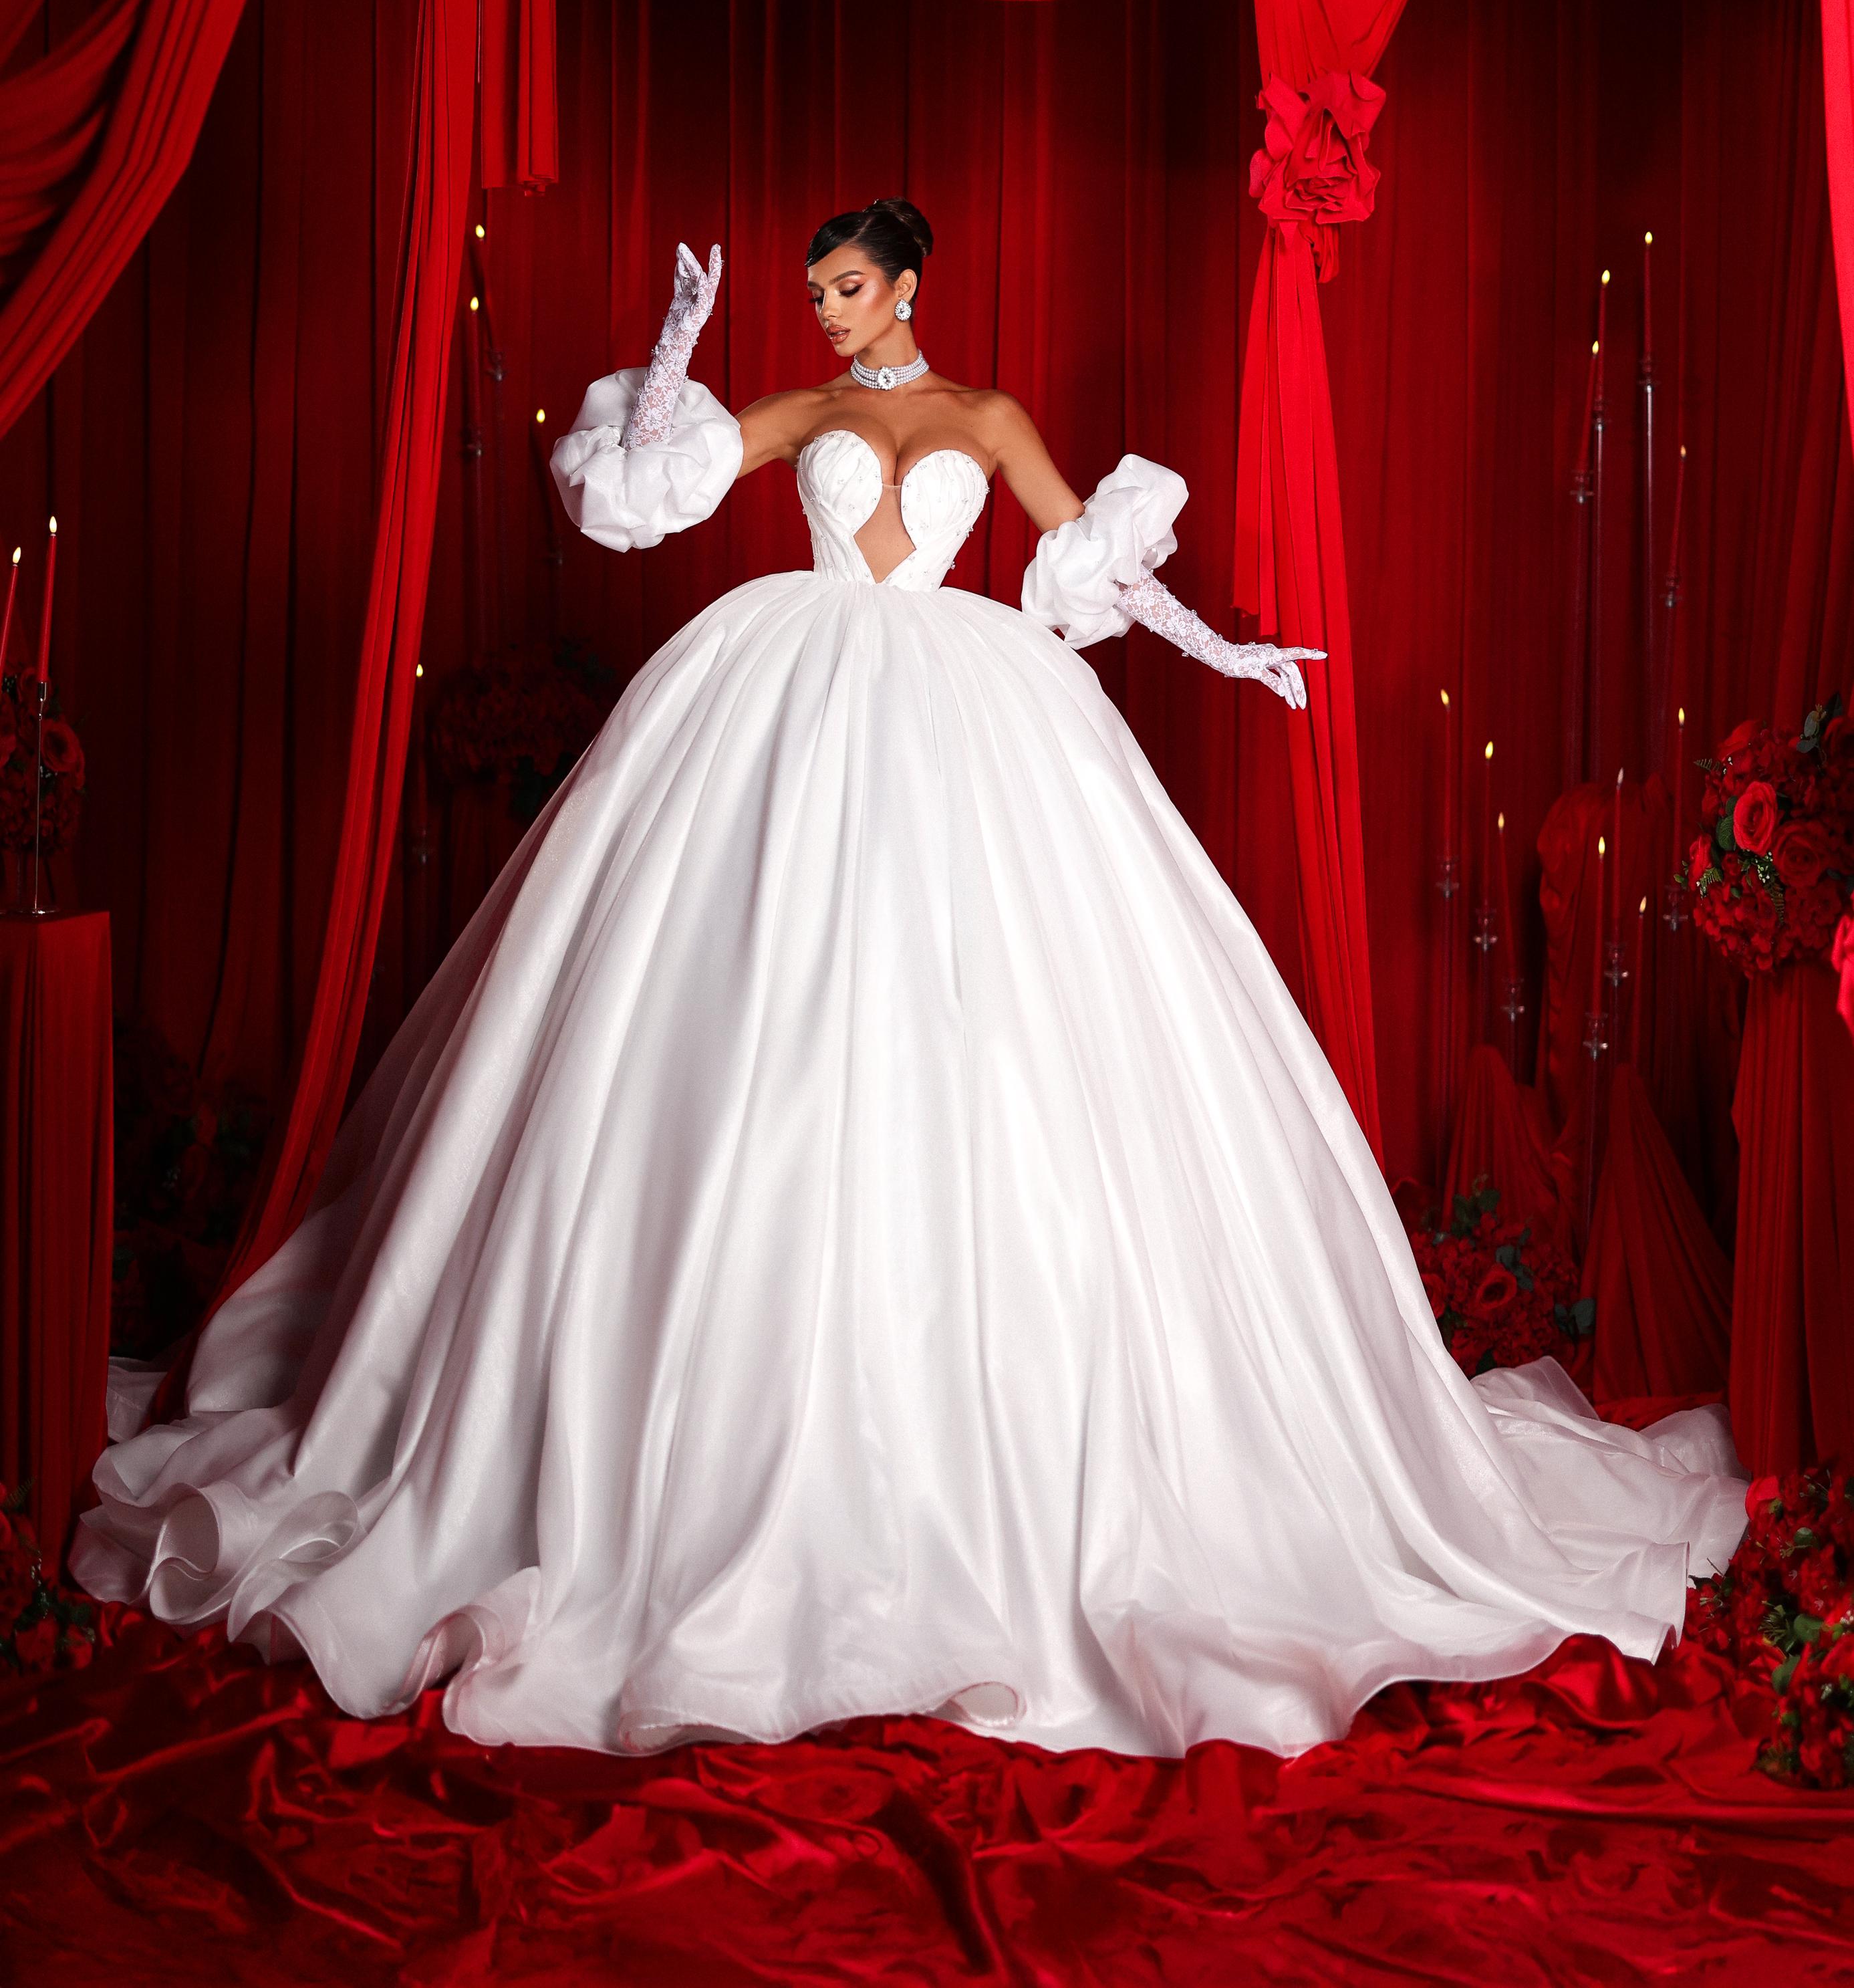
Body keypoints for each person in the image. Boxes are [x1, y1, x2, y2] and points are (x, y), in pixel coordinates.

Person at [75, 197, 1744, 1761]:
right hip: (781, 707)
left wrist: (1222, 648)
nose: (824, 311)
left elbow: (1096, 559)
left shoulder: (988, 417)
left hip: (966, 719)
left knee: (990, 1052)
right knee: (735, 1036)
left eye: (846, 287)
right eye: (814, 291)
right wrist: (675, 345)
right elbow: (644, 485)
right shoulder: (797, 411)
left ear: (908, 287)